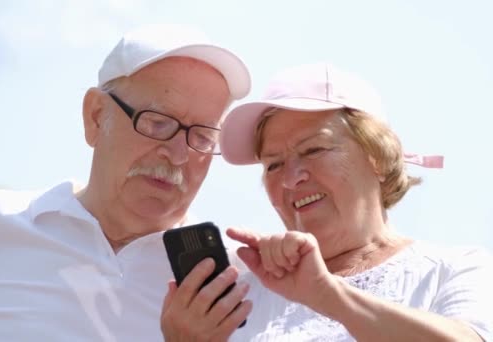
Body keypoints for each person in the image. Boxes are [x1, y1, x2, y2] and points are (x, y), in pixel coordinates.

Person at [0, 24, 252, 341]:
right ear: (95, 117)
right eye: (157, 122)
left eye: (202, 136)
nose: (178, 153)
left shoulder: (236, 283)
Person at [161, 63, 492, 341]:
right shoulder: (233, 304)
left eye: (313, 150)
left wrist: (328, 295)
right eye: (273, 164)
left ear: (378, 157)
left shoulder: (459, 268)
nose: (290, 179)